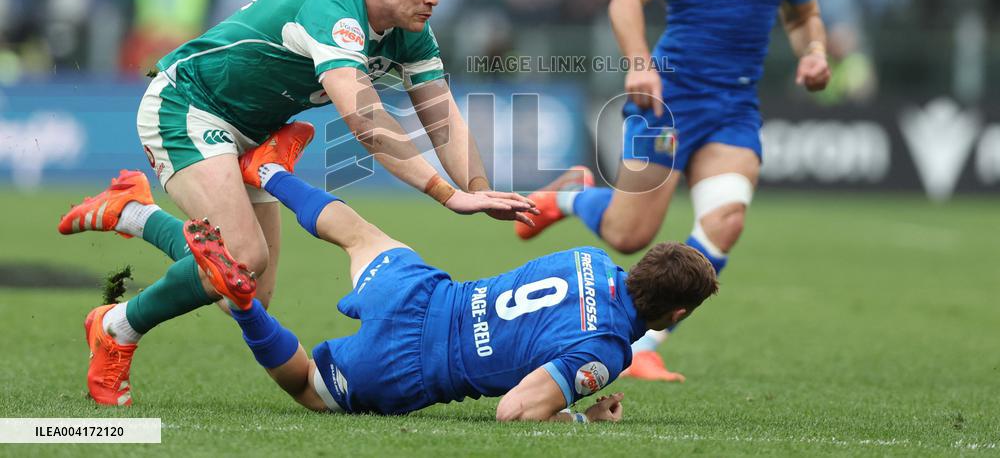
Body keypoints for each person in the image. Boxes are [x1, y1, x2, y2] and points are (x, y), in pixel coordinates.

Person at [59, 0, 536, 406]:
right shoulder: (335, 9)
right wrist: (446, 193)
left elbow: (442, 119)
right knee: (240, 261)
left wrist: (479, 189)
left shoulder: (409, 30)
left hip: (253, 133)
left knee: (246, 293)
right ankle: (116, 327)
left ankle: (133, 212)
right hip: (189, 107)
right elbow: (367, 120)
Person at [515, 0, 831, 381]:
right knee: (629, 234)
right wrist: (640, 65)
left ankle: (644, 345)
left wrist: (814, 51)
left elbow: (803, 14)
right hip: (670, 99)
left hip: (734, 108)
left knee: (726, 221)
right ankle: (572, 195)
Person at [171, 125, 718, 419]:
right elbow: (515, 411)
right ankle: (244, 305)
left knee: (360, 235)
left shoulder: (590, 259)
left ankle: (268, 168)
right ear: (676, 313)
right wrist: (582, 419)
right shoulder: (607, 351)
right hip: (410, 366)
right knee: (309, 389)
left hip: (422, 294)